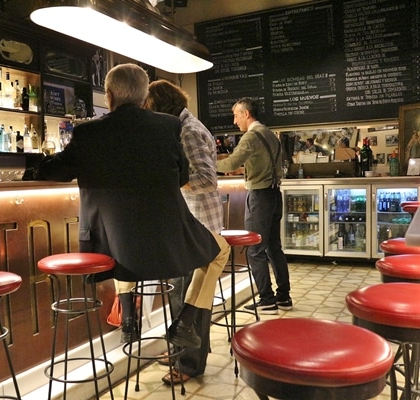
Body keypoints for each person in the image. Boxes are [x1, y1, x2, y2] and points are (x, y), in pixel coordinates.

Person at [36, 63, 230, 351]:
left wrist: (32, 171)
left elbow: (56, 171)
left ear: (109, 96)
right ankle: (184, 323)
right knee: (220, 250)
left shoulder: (88, 133)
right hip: (168, 246)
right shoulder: (169, 126)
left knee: (119, 238)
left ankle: (129, 319)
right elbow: (183, 177)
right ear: (143, 98)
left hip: (116, 252)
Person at [143, 79, 226, 384]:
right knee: (184, 293)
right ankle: (182, 352)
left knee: (189, 297)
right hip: (190, 223)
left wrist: (169, 178)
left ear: (161, 105)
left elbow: (206, 178)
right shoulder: (183, 127)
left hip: (198, 225)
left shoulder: (187, 130)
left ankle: (189, 364)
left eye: (148, 105)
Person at [216, 97, 292, 315]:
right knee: (274, 247)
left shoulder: (250, 136)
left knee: (255, 250)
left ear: (246, 114)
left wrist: (205, 164)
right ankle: (283, 297)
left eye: (236, 115)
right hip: (275, 194)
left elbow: (231, 163)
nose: (234, 121)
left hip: (259, 196)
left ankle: (266, 300)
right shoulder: (269, 134)